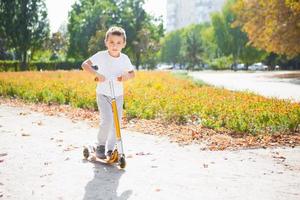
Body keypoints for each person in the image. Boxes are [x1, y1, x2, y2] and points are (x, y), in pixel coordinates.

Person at [81, 26, 135, 159]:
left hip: (118, 96)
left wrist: (126, 77)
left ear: (123, 44)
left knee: (115, 123)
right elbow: (85, 64)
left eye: (118, 43)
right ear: (106, 42)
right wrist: (97, 74)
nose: (115, 45)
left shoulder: (125, 58)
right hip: (103, 94)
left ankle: (110, 149)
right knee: (107, 120)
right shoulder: (101, 56)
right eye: (111, 42)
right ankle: (100, 145)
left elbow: (132, 73)